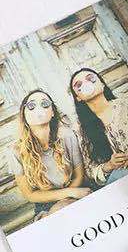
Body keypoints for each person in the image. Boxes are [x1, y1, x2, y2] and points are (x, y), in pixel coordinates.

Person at [7, 89, 92, 221]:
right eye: (31, 105)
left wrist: (67, 198)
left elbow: (79, 176)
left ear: (52, 112)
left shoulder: (67, 136)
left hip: (76, 190)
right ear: (24, 114)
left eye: (45, 104)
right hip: (46, 203)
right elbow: (29, 194)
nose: (38, 108)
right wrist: (66, 195)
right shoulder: (15, 151)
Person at [68, 67, 128, 186]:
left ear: (102, 84)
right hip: (118, 176)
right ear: (78, 97)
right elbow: (89, 169)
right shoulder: (80, 128)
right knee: (123, 173)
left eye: (91, 78)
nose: (86, 84)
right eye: (79, 85)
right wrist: (110, 165)